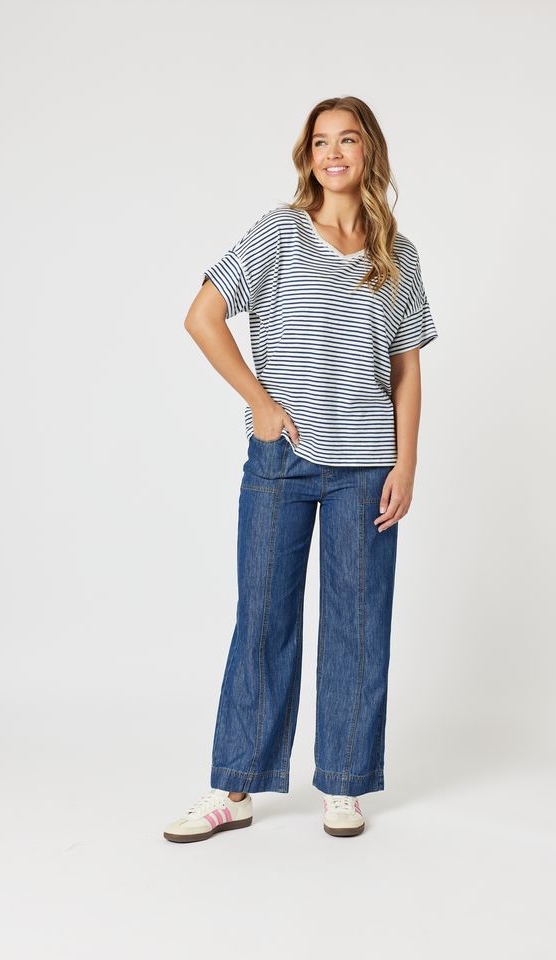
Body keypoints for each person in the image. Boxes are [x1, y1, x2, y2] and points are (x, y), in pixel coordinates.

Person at [163, 95, 438, 842]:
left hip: (365, 467)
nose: (333, 152)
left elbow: (407, 372)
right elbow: (202, 315)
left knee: (357, 624)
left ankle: (344, 784)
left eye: (348, 139)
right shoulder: (279, 234)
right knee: (263, 620)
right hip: (281, 457)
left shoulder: (397, 254)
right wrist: (258, 399)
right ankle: (236, 788)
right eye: (321, 141)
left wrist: (405, 463)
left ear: (369, 152)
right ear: (308, 155)